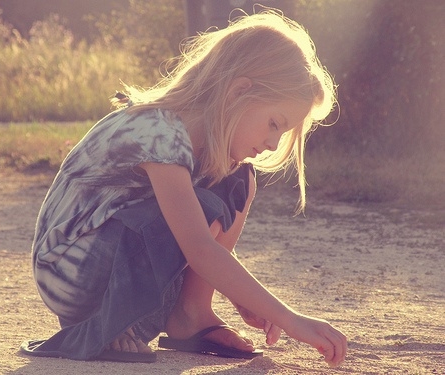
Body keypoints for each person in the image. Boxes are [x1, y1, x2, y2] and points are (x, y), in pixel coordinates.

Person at [20, 9, 347, 368]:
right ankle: (104, 323)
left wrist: (243, 298)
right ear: (239, 91)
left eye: (281, 133)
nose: (272, 142)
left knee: (238, 181)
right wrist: (291, 319)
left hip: (115, 261)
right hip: (71, 271)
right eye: (274, 123)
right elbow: (198, 245)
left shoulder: (198, 147)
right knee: (211, 200)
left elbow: (194, 238)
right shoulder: (159, 129)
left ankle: (191, 315)